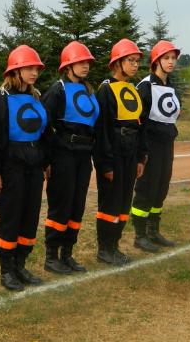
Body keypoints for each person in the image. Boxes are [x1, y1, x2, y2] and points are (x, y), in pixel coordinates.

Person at [0, 45, 50, 291]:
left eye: (36, 69)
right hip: (11, 165)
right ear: (15, 70)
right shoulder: (1, 98)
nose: (34, 72)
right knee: (11, 217)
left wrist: (45, 162)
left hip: (34, 163)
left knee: (30, 215)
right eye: (29, 68)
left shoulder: (36, 97)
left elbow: (45, 133)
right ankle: (6, 270)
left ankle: (20, 264)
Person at [41, 41, 100, 274]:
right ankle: (51, 256)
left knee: (77, 205)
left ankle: (67, 254)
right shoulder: (58, 90)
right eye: (80, 62)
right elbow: (45, 126)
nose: (85, 66)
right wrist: (48, 159)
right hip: (63, 155)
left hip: (84, 155)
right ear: (68, 66)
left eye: (87, 62)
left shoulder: (89, 91)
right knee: (61, 205)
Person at [93, 39, 147, 265]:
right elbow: (101, 130)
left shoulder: (133, 90)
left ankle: (114, 245)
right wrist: (105, 164)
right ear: (117, 63)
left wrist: (141, 157)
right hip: (114, 152)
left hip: (130, 152)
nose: (135, 65)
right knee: (110, 202)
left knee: (124, 202)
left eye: (136, 61)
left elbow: (140, 125)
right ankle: (104, 249)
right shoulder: (106, 90)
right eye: (130, 61)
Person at [130, 40, 181, 252]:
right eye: (166, 58)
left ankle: (153, 230)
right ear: (156, 61)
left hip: (166, 145)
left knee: (161, 187)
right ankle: (140, 235)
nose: (171, 62)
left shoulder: (171, 87)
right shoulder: (145, 86)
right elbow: (138, 121)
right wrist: (141, 152)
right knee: (146, 188)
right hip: (150, 146)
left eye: (173, 58)